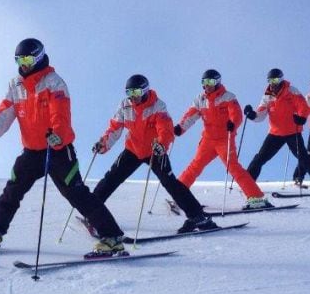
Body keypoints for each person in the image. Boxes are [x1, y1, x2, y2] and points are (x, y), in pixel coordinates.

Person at [0, 38, 126, 262]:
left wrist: (57, 135)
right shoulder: (16, 86)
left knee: (76, 193)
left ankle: (112, 237)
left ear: (37, 57)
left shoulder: (54, 82)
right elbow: (4, 113)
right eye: (19, 60)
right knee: (12, 190)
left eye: (26, 59)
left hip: (58, 150)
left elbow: (61, 114)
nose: (23, 64)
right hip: (32, 152)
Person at [90, 75, 217, 234]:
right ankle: (91, 212)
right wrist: (103, 143)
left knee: (170, 183)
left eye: (136, 91)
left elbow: (165, 128)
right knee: (111, 178)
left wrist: (162, 145)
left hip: (155, 150)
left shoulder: (157, 106)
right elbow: (115, 127)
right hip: (133, 150)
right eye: (129, 92)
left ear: (144, 90)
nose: (133, 96)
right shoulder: (125, 106)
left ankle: (198, 217)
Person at [174, 68, 273, 210]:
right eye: (204, 82)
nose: (207, 85)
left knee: (233, 167)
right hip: (207, 140)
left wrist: (232, 124)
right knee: (195, 165)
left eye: (210, 81)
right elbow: (190, 116)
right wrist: (180, 128)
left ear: (217, 82)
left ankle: (256, 198)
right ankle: (179, 194)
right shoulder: (200, 99)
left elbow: (236, 114)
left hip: (224, 139)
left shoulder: (228, 97)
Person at [243, 68, 310, 193]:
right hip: (275, 133)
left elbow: (303, 106)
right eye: (270, 80)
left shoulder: (291, 91)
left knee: (303, 157)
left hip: (293, 131)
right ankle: (248, 183)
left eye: (275, 79)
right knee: (260, 158)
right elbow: (261, 114)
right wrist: (252, 115)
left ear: (281, 79)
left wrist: (301, 117)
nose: (273, 82)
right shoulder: (267, 96)